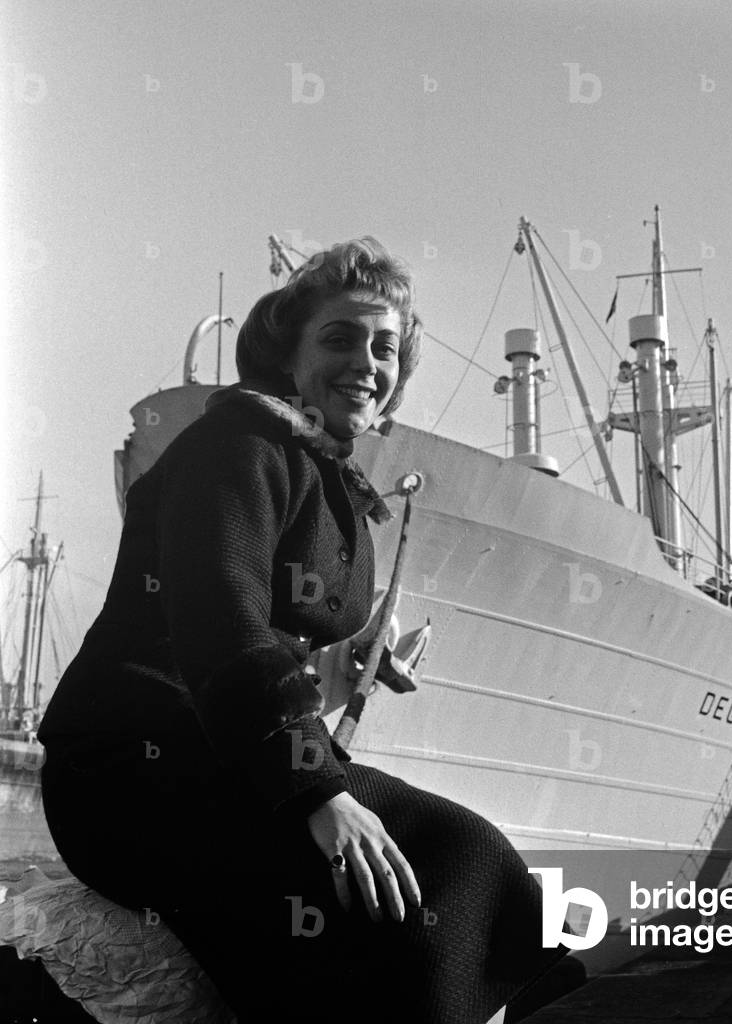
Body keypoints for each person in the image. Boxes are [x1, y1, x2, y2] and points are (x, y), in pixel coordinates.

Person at [38, 238, 572, 1023]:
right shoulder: (237, 446)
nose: (366, 363)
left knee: (473, 852)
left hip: (226, 752)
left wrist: (359, 658)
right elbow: (224, 622)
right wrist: (319, 794)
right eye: (340, 338)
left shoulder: (326, 475)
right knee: (411, 906)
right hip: (130, 775)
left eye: (384, 348)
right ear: (288, 354)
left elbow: (270, 631)